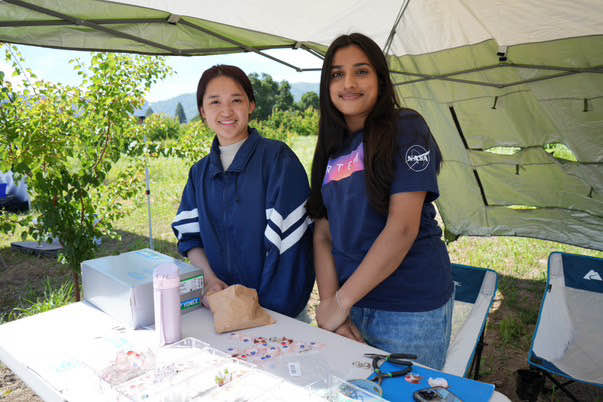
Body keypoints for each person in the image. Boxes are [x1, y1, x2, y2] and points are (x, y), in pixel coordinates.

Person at [308, 33, 454, 369]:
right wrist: (332, 306)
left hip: (408, 310)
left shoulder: (406, 127)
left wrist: (340, 302)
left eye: (361, 71)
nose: (348, 83)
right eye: (336, 74)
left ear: (380, 79)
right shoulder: (330, 148)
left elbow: (402, 227)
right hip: (351, 307)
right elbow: (322, 234)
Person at [172, 65, 314, 319]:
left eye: (236, 100)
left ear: (251, 105)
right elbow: (190, 238)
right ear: (203, 112)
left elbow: (292, 247)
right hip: (221, 306)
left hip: (278, 313)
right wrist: (211, 280)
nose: (226, 111)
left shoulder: (278, 161)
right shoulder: (199, 173)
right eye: (214, 102)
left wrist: (265, 309)